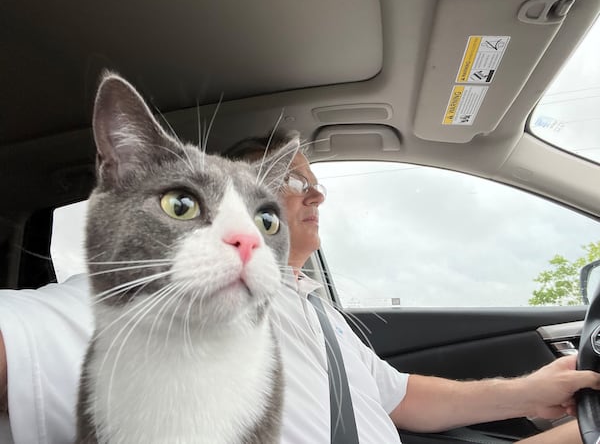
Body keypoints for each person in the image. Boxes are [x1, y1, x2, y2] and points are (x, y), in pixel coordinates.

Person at [0, 136, 599, 443]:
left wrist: (529, 391)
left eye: (316, 185)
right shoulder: (172, 300)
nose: (316, 196)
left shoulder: (310, 305)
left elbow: (401, 398)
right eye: (290, 181)